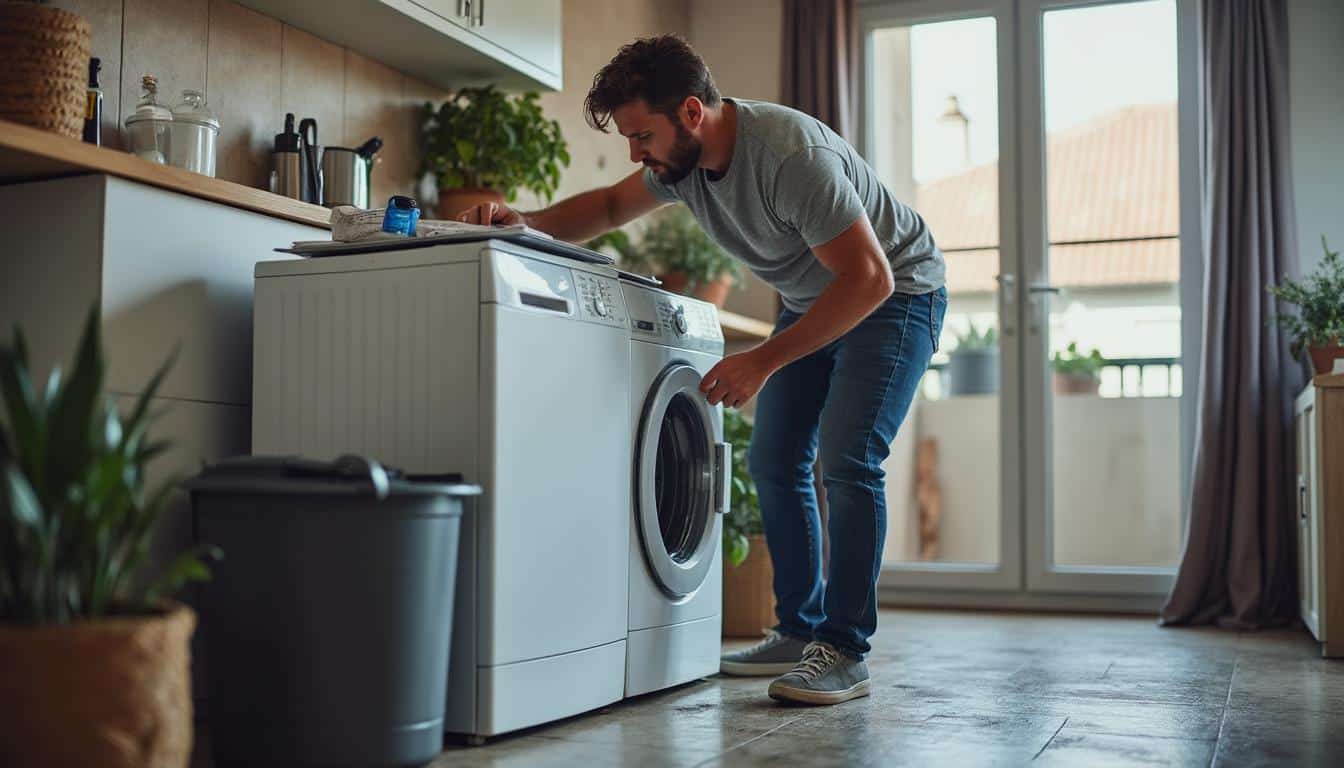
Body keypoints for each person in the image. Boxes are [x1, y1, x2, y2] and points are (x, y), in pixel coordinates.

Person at [457, 35, 946, 706]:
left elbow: (869, 278)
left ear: (691, 113)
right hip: (817, 299)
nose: (636, 153)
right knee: (775, 460)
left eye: (641, 135)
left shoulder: (789, 157)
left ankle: (845, 650)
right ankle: (799, 632)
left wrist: (764, 361)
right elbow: (604, 207)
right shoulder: (680, 165)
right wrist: (526, 224)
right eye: (630, 138)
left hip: (897, 295)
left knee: (849, 457)